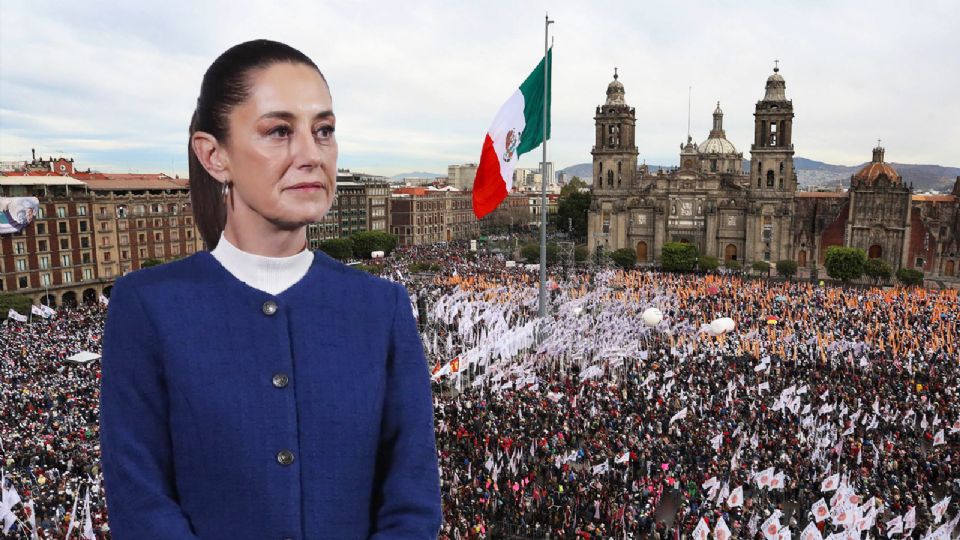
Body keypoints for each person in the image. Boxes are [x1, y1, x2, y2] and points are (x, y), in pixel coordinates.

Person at [99, 39, 442, 539]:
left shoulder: (381, 307)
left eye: (323, 130)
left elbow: (411, 499)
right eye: (279, 131)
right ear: (214, 155)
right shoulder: (147, 306)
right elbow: (139, 500)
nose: (311, 154)